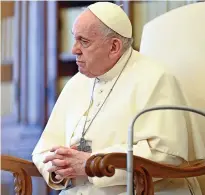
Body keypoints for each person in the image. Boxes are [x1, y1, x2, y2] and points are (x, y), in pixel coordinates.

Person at [32, 2, 203, 195]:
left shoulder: (155, 79)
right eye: (75, 39)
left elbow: (166, 154)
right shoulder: (77, 83)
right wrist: (58, 167)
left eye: (84, 41)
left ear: (114, 46)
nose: (74, 49)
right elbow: (44, 149)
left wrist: (91, 164)